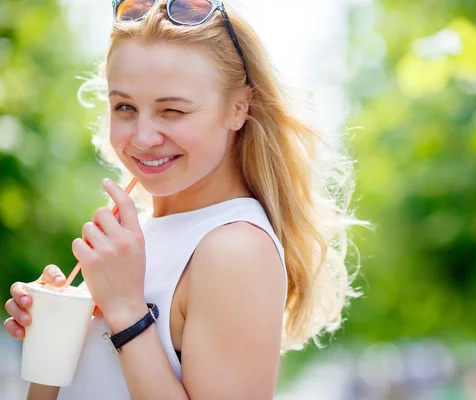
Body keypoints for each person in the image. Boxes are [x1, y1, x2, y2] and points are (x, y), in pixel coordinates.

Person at [3, 0, 365, 398]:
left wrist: (126, 311)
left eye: (172, 110)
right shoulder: (137, 235)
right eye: (125, 107)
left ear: (238, 108)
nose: (142, 137)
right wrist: (54, 335)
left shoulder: (235, 249)